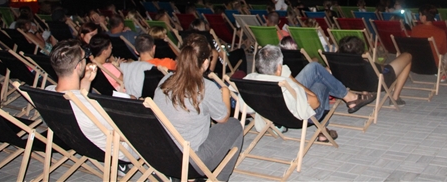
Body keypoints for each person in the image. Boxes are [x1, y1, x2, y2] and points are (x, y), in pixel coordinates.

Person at [153, 34, 242, 181]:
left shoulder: (165, 80)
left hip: (161, 157)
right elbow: (223, 118)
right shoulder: (206, 87)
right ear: (206, 62)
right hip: (191, 162)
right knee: (234, 125)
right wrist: (225, 93)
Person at [245, 45, 376, 141]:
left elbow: (246, 109)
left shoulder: (250, 81)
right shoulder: (286, 85)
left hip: (277, 113)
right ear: (279, 67)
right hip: (298, 117)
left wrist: (289, 78)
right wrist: (295, 84)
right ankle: (325, 127)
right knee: (322, 83)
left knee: (314, 68)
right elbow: (315, 103)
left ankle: (348, 98)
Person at [46, 39, 135, 163]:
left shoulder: (48, 92)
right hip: (117, 151)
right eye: (84, 58)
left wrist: (86, 82)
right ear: (78, 66)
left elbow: (77, 100)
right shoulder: (91, 106)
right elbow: (123, 135)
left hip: (80, 144)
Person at [337, 35, 412, 105]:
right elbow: (380, 70)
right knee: (408, 56)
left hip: (354, 84)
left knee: (367, 72)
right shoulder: (366, 65)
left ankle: (365, 93)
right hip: (379, 83)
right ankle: (395, 98)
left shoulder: (337, 63)